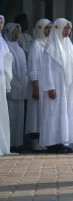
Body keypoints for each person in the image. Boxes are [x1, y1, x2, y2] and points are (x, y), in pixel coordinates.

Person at [39, 18, 73, 153]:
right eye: (65, 28)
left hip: (68, 87)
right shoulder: (50, 48)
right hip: (55, 86)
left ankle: (63, 141)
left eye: (69, 28)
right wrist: (50, 87)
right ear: (58, 29)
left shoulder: (70, 47)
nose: (67, 31)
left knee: (66, 113)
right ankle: (52, 143)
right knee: (54, 112)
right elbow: (46, 70)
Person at [26, 18, 51, 152]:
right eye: (46, 28)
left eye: (50, 28)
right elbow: (33, 68)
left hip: (46, 84)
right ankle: (34, 142)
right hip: (37, 84)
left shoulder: (48, 44)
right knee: (35, 114)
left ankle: (42, 140)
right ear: (40, 29)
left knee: (42, 114)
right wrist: (35, 86)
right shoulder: (36, 45)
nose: (49, 30)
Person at [3, 21, 27, 151]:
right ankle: (10, 143)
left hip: (21, 86)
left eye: (18, 32)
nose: (17, 34)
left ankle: (18, 143)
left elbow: (24, 68)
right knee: (11, 117)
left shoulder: (20, 48)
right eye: (14, 32)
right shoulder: (6, 47)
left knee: (19, 118)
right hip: (12, 85)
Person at [0, 17, 12, 156]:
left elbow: (8, 64)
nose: (0, 25)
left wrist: (8, 83)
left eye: (2, 22)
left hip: (1, 79)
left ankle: (3, 146)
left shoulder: (3, 42)